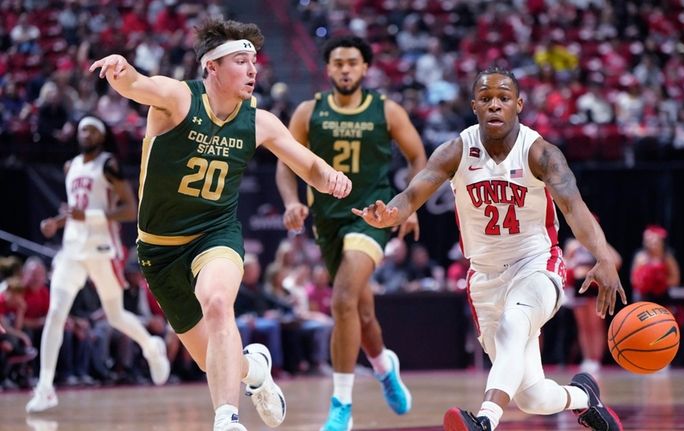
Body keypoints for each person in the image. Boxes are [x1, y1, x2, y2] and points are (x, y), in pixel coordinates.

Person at [87, 19, 352, 431]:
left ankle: (227, 419)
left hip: (216, 233)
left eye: (254, 61)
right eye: (241, 61)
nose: (252, 70)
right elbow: (138, 84)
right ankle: (255, 370)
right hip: (158, 249)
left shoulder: (259, 121)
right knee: (214, 357)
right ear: (211, 67)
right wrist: (123, 72)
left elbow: (309, 165)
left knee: (216, 302)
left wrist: (331, 178)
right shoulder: (178, 99)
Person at [353, 67, 626, 431]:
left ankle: (484, 421)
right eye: (486, 99)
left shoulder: (541, 153)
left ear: (519, 105)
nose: (495, 105)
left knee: (515, 325)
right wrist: (388, 215)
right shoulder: (456, 150)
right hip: (484, 278)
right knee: (532, 397)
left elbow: (575, 209)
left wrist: (604, 257)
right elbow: (411, 195)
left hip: (537, 264)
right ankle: (584, 398)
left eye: (503, 98)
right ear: (474, 106)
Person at [275, 35, 427, 431]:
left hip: (372, 215)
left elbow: (417, 157)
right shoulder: (309, 112)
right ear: (328, 69)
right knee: (360, 312)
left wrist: (409, 205)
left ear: (364, 68)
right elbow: (284, 162)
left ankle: (341, 403)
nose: (345, 68)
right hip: (328, 219)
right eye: (338, 62)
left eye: (352, 62)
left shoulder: (386, 111)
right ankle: (384, 367)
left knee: (341, 299)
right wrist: (292, 201)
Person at [27, 115, 170, 413]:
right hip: (72, 250)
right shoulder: (70, 166)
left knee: (115, 316)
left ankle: (151, 346)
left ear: (101, 135)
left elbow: (130, 209)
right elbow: (75, 209)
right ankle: (45, 387)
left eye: (92, 130)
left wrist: (88, 217)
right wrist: (56, 222)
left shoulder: (108, 164)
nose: (86, 134)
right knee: (56, 313)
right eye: (82, 130)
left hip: (103, 248)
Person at [564, 232, 622, 375]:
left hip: (594, 287)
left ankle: (597, 358)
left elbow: (617, 261)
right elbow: (564, 263)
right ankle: (588, 358)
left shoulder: (598, 245)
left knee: (596, 325)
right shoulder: (573, 245)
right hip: (578, 286)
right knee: (583, 326)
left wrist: (602, 242)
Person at [630, 225, 680, 305]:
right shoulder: (640, 257)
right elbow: (633, 280)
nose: (652, 244)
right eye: (649, 241)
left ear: (661, 242)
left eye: (655, 241)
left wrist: (660, 282)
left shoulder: (667, 258)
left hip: (663, 296)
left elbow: (675, 279)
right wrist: (646, 283)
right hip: (644, 296)